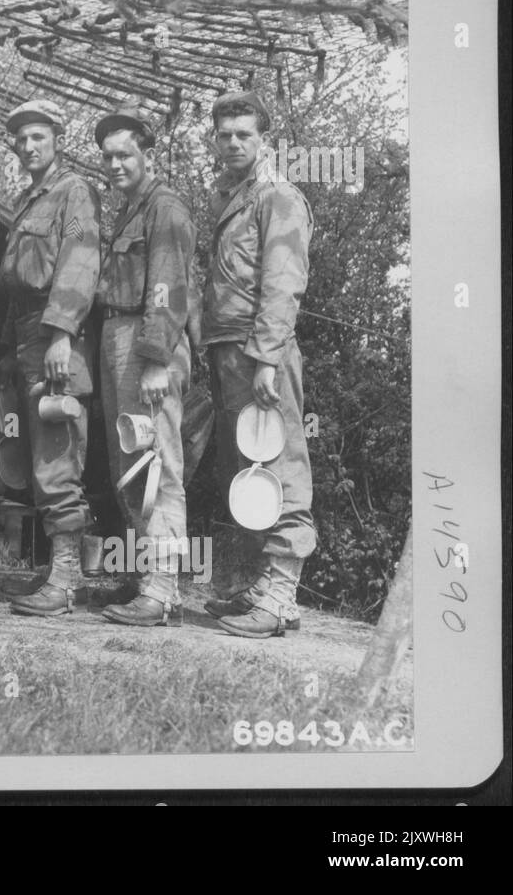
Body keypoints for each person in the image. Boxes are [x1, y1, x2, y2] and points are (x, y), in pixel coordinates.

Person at [200, 91, 315, 638]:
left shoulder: (279, 196)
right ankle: (265, 586)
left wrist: (267, 357)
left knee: (280, 462)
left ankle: (281, 593)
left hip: (260, 352)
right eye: (224, 134)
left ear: (264, 138)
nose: (233, 142)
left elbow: (283, 283)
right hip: (228, 350)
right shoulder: (232, 197)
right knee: (248, 469)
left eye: (244, 133)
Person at [0, 100, 102, 619]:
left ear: (56, 138)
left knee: (58, 458)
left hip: (59, 338)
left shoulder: (73, 192)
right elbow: (15, 286)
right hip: (28, 336)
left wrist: (61, 334)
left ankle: (65, 579)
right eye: (20, 140)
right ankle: (60, 570)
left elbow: (80, 263)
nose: (28, 147)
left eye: (38, 137)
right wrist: (11, 352)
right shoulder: (28, 199)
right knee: (39, 460)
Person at [90, 102, 197, 626]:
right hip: (120, 337)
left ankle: (161, 590)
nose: (114, 164)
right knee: (130, 465)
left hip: (148, 342)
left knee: (158, 465)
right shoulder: (129, 210)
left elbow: (167, 288)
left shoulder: (165, 208)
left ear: (147, 155)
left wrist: (156, 361)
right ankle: (144, 579)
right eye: (107, 156)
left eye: (124, 154)